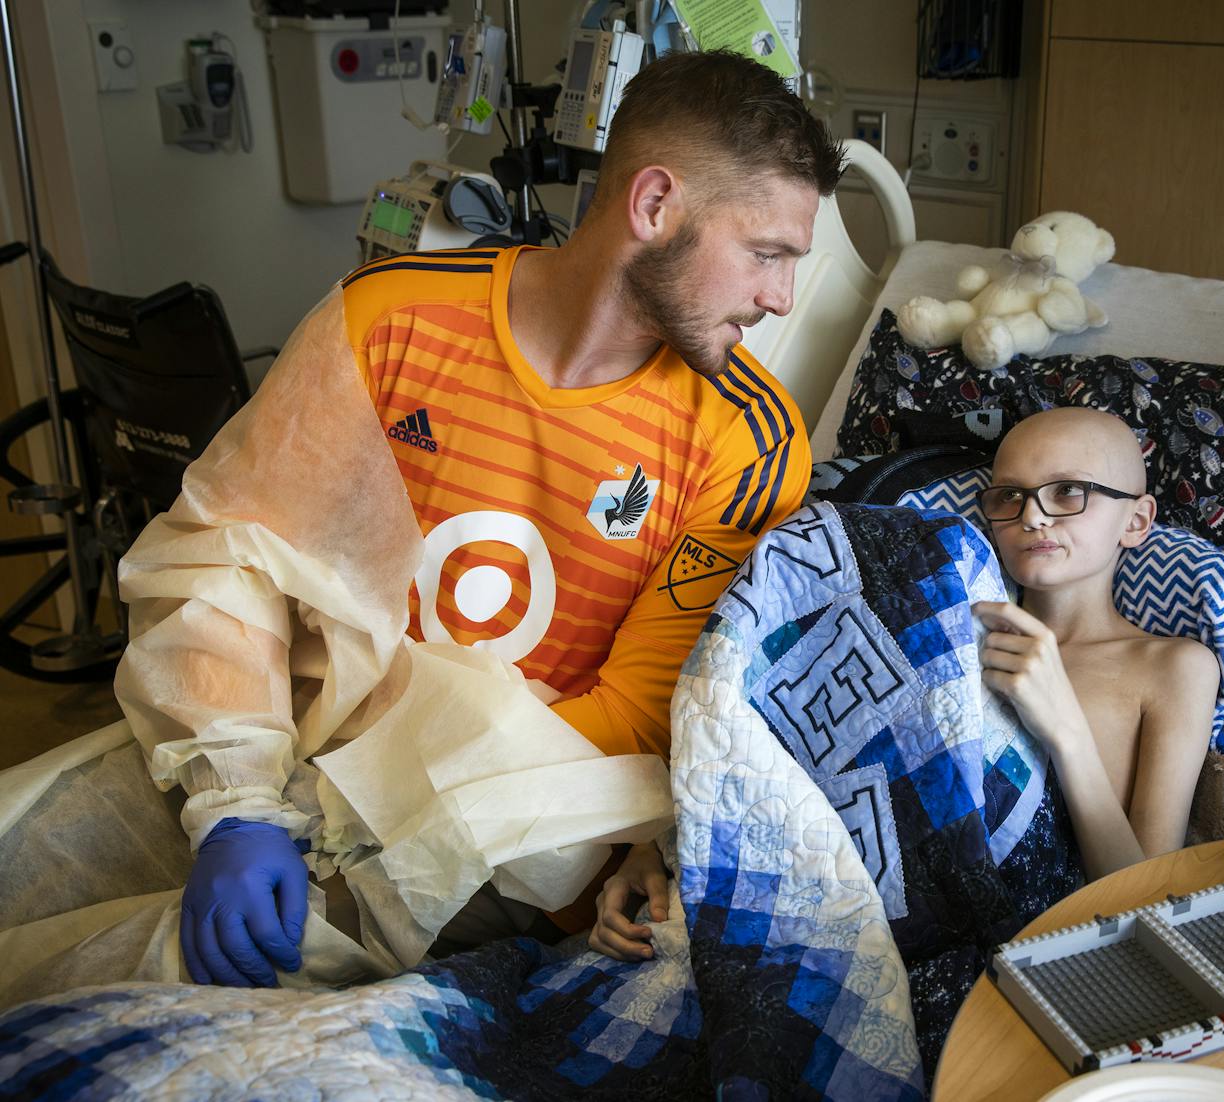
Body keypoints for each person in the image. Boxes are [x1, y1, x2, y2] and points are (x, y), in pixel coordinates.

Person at [114, 49, 845, 987]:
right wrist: (242, 804)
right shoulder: (390, 321)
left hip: (509, 842)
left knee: (168, 983)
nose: (780, 298)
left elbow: (635, 717)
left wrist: (355, 828)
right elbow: (232, 562)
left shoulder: (747, 442)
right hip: (278, 751)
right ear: (654, 205)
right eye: (767, 253)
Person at [971, 408, 1220, 880]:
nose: (1032, 516)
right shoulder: (961, 631)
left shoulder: (1174, 666)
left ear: (1136, 520)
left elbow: (1142, 898)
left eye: (1068, 491)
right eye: (1009, 495)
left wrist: (1066, 730)